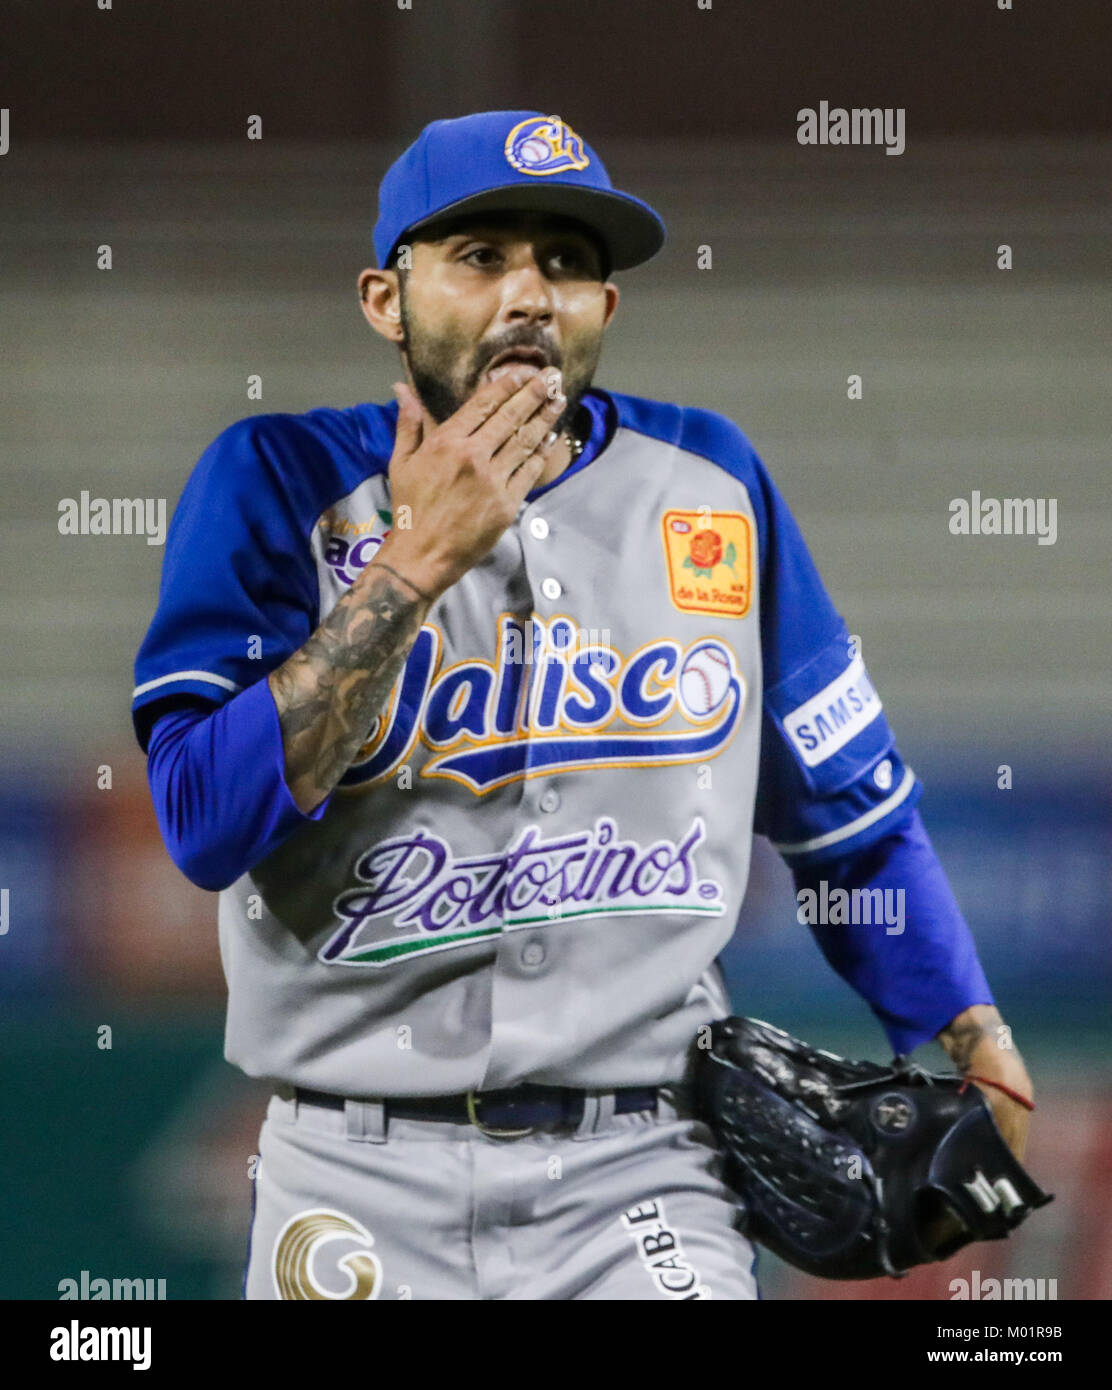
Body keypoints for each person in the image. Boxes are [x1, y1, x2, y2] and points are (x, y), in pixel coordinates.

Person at [132, 110, 1033, 1301]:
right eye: (480, 256)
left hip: (641, 1173)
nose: (528, 294)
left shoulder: (709, 481)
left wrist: (971, 1033)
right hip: (347, 1173)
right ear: (382, 300)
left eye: (564, 263)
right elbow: (202, 820)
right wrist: (410, 570)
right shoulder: (273, 483)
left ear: (605, 307)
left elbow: (847, 821)